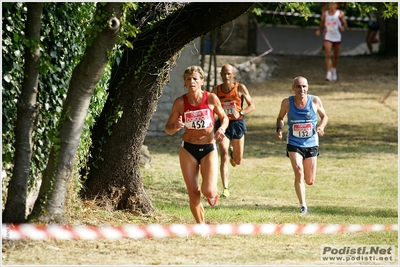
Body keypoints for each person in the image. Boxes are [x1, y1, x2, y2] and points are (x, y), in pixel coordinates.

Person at [165, 65, 229, 224]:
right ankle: (201, 228)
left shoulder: (211, 98)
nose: (191, 81)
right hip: (188, 149)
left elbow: (225, 117)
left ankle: (213, 194)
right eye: (188, 79)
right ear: (185, 83)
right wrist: (175, 126)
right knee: (193, 192)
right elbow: (168, 129)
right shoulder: (180, 102)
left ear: (202, 81)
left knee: (207, 191)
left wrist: (221, 128)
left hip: (208, 148)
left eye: (195, 78)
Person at [276, 76, 328, 215]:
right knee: (298, 171)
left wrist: (321, 127)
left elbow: (325, 116)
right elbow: (280, 118)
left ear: (308, 87)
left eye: (304, 86)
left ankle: (305, 192)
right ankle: (303, 205)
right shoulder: (287, 102)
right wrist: (279, 130)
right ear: (293, 88)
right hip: (294, 142)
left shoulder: (315, 101)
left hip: (311, 142)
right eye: (298, 86)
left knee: (309, 180)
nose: (301, 89)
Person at [212, 64, 255, 198]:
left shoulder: (240, 88)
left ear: (233, 74)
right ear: (220, 75)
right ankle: (225, 188)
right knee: (223, 155)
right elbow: (210, 107)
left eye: (229, 74)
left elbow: (252, 106)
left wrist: (240, 112)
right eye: (224, 74)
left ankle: (233, 153)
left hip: (237, 124)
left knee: (238, 160)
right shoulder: (216, 90)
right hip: (223, 124)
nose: (226, 76)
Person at [315, 2, 348, 81]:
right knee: (328, 54)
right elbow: (322, 22)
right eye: (330, 4)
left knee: (336, 56)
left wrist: (343, 27)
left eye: (333, 4)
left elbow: (345, 25)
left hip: (337, 37)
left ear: (336, 5)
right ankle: (328, 73)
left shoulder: (339, 13)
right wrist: (319, 30)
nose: (332, 6)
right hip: (328, 36)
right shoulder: (325, 13)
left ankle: (334, 70)